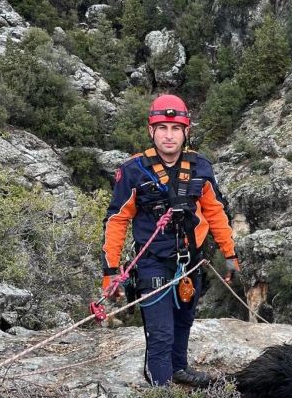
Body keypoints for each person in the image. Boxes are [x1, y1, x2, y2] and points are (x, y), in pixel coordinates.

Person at [101, 94, 240, 387]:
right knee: (161, 331)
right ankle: (161, 386)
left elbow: (216, 212)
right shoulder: (133, 171)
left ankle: (179, 368)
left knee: (183, 321)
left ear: (185, 131)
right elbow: (117, 221)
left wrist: (229, 254)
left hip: (191, 262)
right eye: (162, 128)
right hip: (152, 264)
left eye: (175, 128)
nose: (168, 135)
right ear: (151, 130)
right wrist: (110, 271)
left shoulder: (200, 167)